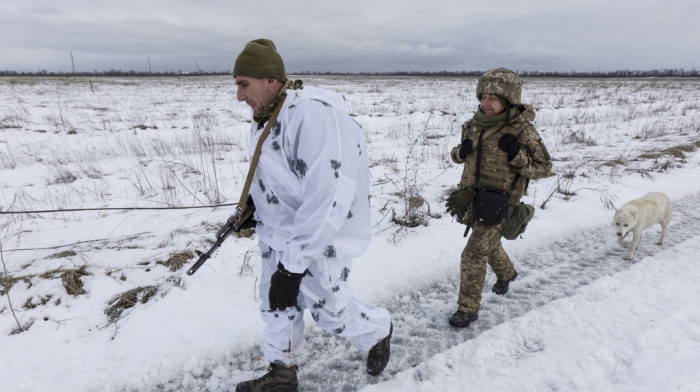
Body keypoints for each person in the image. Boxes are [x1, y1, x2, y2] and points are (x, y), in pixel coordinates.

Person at [231, 39, 392, 392]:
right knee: (275, 303)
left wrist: (295, 263)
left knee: (331, 312)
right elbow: (283, 176)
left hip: (318, 239)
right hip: (277, 235)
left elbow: (328, 195)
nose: (239, 96)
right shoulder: (267, 116)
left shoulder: (310, 116)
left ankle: (378, 329)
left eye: (244, 84)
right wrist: (254, 207)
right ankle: (282, 374)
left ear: (270, 81)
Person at [445, 68, 552, 328]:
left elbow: (544, 168)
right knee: (487, 244)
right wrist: (461, 152)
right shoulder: (472, 125)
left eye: (493, 97)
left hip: (501, 204)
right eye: (483, 96)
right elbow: (457, 156)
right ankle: (507, 273)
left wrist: (517, 155)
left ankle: (467, 309)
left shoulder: (522, 131)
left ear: (508, 100)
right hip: (472, 199)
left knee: (473, 254)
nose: (486, 102)